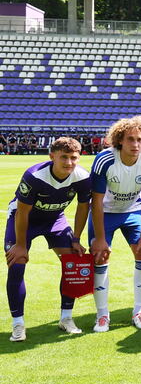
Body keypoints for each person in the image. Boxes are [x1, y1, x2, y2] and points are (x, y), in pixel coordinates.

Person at [5, 137, 91, 342]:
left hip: (55, 219)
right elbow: (22, 213)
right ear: (52, 156)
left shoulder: (82, 177)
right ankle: (18, 324)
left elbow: (83, 207)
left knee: (73, 261)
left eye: (74, 158)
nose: (69, 162)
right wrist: (20, 245)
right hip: (24, 220)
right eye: (64, 157)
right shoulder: (35, 176)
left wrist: (77, 238)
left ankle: (66, 318)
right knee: (17, 263)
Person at [89, 117, 141, 331]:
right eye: (130, 139)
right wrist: (100, 239)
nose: (136, 145)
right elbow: (97, 201)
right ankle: (102, 315)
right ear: (119, 140)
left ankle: (140, 311)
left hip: (133, 211)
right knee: (100, 255)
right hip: (106, 213)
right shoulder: (105, 160)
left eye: (140, 140)